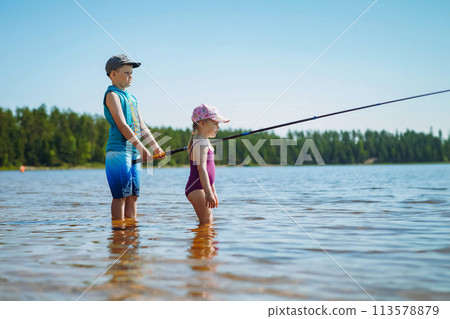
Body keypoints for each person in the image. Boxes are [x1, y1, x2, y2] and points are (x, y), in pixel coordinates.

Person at [103, 54, 164, 227]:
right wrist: (141, 146)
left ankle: (131, 233)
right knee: (120, 196)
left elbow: (142, 126)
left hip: (133, 151)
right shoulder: (112, 95)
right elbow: (122, 124)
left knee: (133, 195)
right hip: (118, 151)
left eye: (132, 73)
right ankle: (118, 235)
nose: (131, 76)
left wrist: (155, 146)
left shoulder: (132, 98)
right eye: (126, 73)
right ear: (113, 74)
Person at [185, 104, 229, 224]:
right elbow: (202, 169)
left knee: (208, 222)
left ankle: (204, 242)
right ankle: (202, 242)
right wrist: (208, 192)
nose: (218, 127)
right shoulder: (200, 142)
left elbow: (209, 174)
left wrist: (212, 191)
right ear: (202, 124)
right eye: (215, 123)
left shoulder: (204, 141)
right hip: (197, 188)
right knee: (206, 222)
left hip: (203, 188)